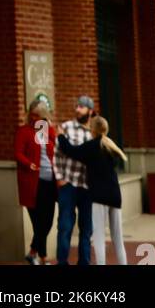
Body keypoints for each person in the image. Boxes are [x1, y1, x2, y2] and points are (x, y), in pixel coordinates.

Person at [56, 115, 127, 265]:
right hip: (115, 195)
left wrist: (61, 135)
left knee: (99, 240)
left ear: (92, 130)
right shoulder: (109, 146)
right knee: (118, 240)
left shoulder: (92, 146)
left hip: (99, 196)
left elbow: (70, 150)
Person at [15, 100, 57, 265]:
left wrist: (50, 129)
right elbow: (18, 153)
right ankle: (43, 257)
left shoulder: (47, 130)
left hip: (49, 181)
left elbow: (56, 148)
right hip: (32, 182)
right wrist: (28, 163)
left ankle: (33, 252)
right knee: (38, 222)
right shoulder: (23, 131)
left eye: (38, 116)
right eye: (32, 115)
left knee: (47, 221)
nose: (34, 118)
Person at [54, 94, 94, 266]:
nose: (77, 109)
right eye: (76, 106)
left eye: (81, 107)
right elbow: (56, 154)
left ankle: (84, 262)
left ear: (90, 111)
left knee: (86, 229)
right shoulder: (67, 128)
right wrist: (59, 178)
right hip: (68, 185)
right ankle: (62, 262)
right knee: (64, 227)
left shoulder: (94, 132)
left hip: (87, 188)